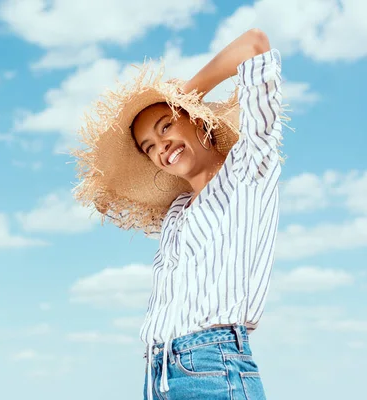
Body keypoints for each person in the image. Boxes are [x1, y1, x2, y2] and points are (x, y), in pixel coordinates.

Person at [72, 28, 285, 399]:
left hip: (214, 365)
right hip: (158, 375)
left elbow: (255, 45)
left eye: (166, 126)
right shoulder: (177, 211)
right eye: (149, 146)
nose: (161, 147)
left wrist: (188, 93)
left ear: (198, 120)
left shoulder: (248, 169)